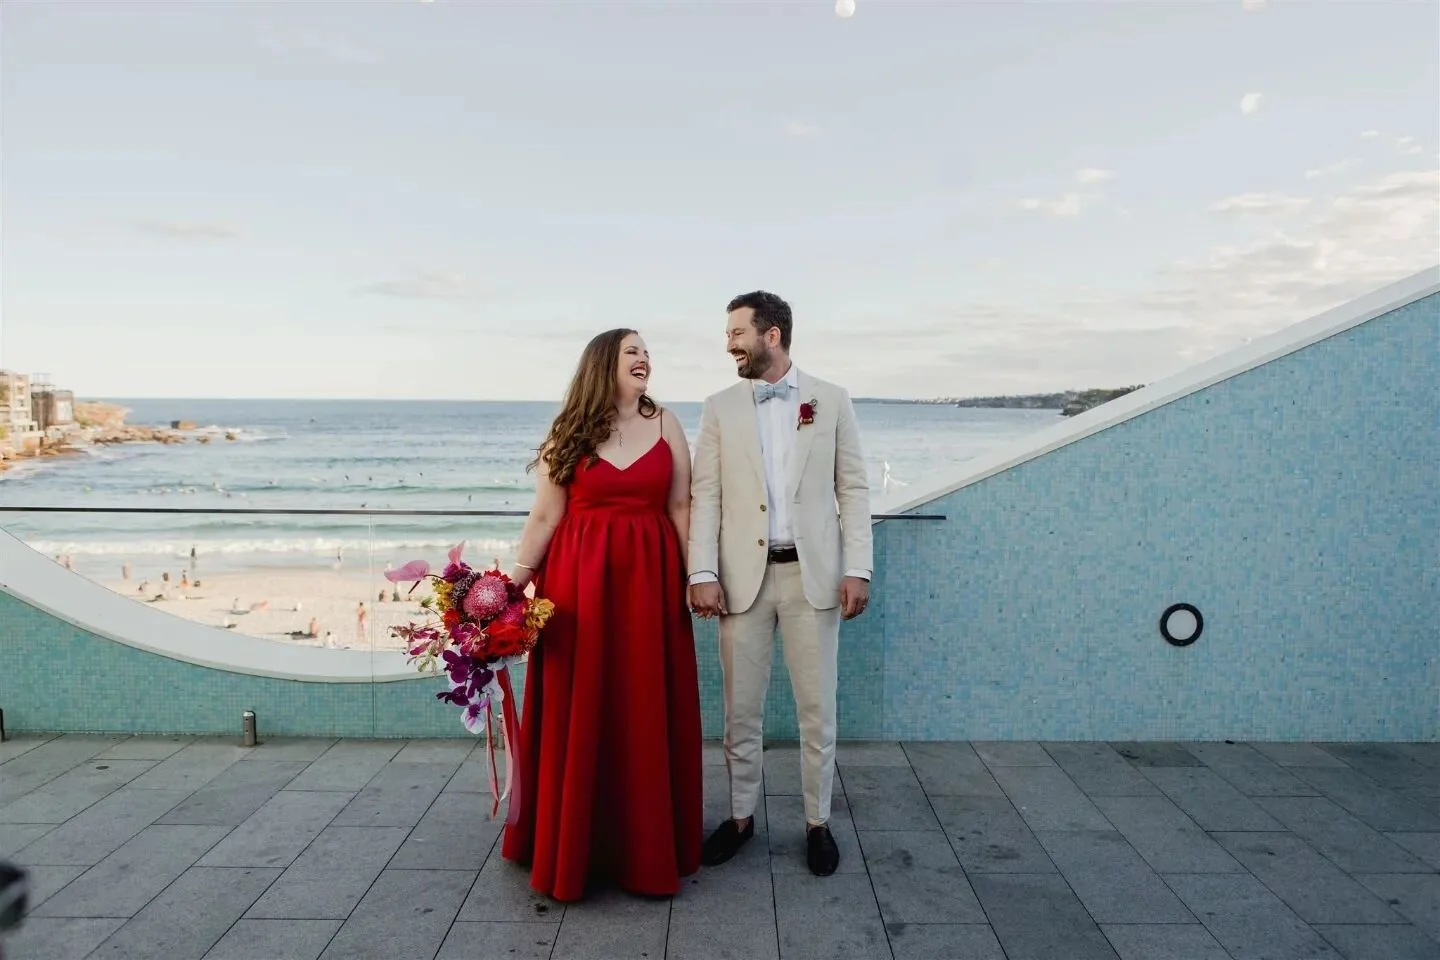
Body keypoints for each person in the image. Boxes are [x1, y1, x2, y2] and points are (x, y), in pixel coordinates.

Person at [501, 328, 703, 901]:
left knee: (641, 703)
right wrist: (503, 591)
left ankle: (642, 849)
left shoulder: (667, 422)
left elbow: (681, 505)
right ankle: (572, 845)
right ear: (602, 364)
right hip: (576, 587)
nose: (644, 359)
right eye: (631, 351)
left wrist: (696, 577)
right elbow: (545, 518)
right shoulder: (568, 431)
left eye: (646, 352)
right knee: (579, 704)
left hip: (650, 581)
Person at [688, 290, 873, 877]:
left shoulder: (833, 400)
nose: (728, 344)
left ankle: (817, 823)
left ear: (772, 335)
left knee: (817, 710)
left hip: (813, 578)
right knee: (741, 711)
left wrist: (857, 568)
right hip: (742, 582)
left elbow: (854, 490)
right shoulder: (719, 407)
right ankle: (740, 818)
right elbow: (706, 495)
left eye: (736, 333)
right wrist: (703, 572)